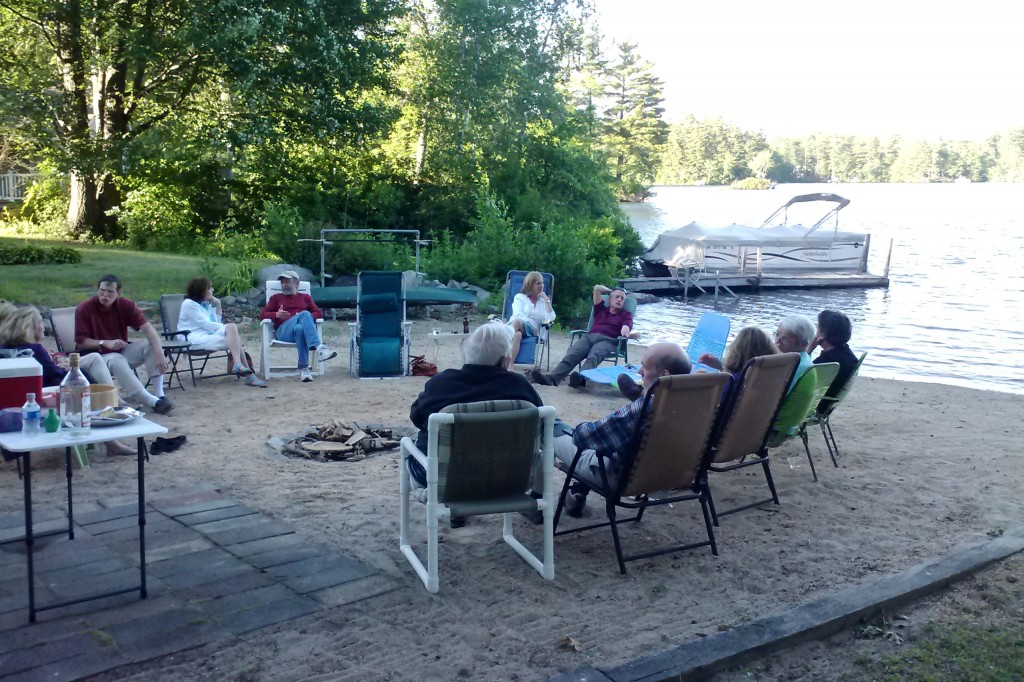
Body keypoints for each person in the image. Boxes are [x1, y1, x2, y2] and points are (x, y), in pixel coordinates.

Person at [408, 322, 544, 527]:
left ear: (468, 353)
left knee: (413, 444)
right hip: (510, 478)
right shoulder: (520, 386)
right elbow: (540, 424)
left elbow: (417, 418)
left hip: (445, 481)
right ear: (505, 359)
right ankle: (534, 502)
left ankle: (457, 507)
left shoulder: (441, 384)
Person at [556, 342, 692, 518]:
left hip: (620, 479)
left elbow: (583, 438)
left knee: (550, 427)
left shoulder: (645, 409)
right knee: (616, 438)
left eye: (644, 367)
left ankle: (535, 503)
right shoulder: (699, 406)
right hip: (667, 478)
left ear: (664, 375)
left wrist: (576, 428)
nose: (640, 372)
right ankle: (576, 491)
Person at [0, 306, 135, 455]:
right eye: (40, 322)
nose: (43, 327)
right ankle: (112, 440)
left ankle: (114, 412)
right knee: (84, 386)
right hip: (43, 398)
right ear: (31, 327)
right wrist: (69, 370)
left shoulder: (5, 348)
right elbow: (57, 376)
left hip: (14, 400)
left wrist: (58, 362)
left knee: (88, 369)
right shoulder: (35, 349)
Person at [74, 274, 173, 414]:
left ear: (118, 293)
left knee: (150, 344)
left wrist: (159, 352)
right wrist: (104, 343)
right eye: (102, 290)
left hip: (121, 351)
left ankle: (159, 395)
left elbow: (148, 329)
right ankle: (152, 401)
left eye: (110, 292)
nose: (105, 295)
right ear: (97, 290)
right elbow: (81, 343)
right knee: (116, 359)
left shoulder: (125, 305)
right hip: (96, 358)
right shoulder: (85, 308)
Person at [531, 285, 637, 389]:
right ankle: (552, 379)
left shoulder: (625, 314)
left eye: (622, 298)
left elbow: (626, 327)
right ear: (609, 299)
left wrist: (626, 334)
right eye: (617, 297)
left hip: (607, 340)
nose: (619, 300)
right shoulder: (600, 309)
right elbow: (597, 288)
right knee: (572, 354)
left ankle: (581, 379)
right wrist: (611, 291)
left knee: (593, 356)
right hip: (589, 337)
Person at [178, 277, 265, 387]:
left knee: (233, 333)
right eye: (209, 288)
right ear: (201, 291)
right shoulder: (189, 304)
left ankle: (241, 367)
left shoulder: (205, 304)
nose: (212, 290)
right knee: (234, 336)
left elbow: (216, 323)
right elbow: (208, 325)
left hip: (207, 335)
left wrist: (218, 304)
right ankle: (248, 374)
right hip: (192, 339)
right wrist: (236, 327)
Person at [258, 271, 335, 383]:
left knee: (300, 328)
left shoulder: (305, 298)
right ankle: (319, 347)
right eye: (282, 282)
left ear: (297, 284)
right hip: (283, 332)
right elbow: (262, 315)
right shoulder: (276, 298)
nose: (284, 284)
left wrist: (302, 318)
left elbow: (318, 314)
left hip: (298, 331)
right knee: (305, 314)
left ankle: (304, 369)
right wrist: (276, 314)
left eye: (287, 282)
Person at [506, 271, 555, 367]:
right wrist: (530, 323)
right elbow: (517, 314)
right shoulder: (520, 297)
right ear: (530, 285)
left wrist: (546, 300)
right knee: (517, 335)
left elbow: (551, 318)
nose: (542, 286)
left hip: (535, 330)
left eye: (542, 283)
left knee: (517, 322)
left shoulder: (543, 301)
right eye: (538, 283)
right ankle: (509, 365)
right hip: (521, 326)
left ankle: (502, 343)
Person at [808, 309, 859, 400]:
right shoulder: (849, 356)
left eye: (817, 328)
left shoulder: (826, 363)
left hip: (815, 403)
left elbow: (799, 377)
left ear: (822, 335)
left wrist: (808, 350)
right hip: (827, 401)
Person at [773, 315, 816, 392]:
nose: (777, 342)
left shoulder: (794, 366)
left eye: (784, 338)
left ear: (802, 344)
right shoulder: (804, 359)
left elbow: (773, 393)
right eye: (777, 334)